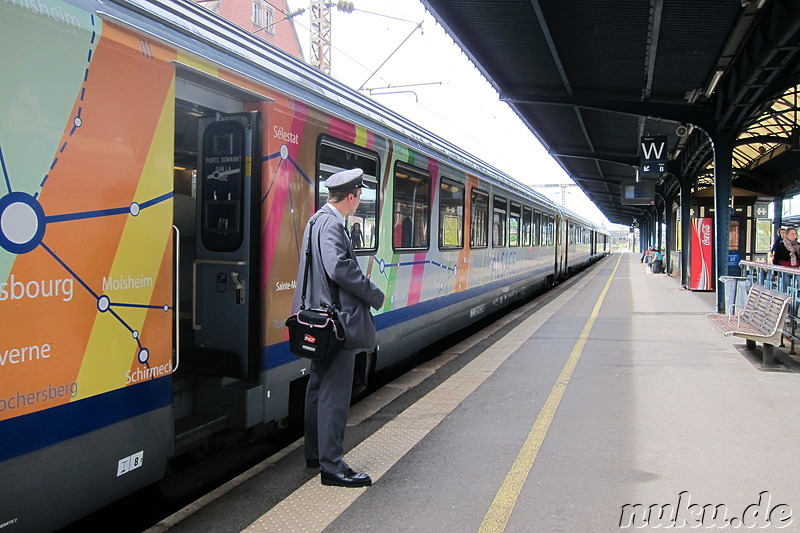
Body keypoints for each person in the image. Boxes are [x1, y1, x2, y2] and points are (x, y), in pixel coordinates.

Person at [292, 168, 385, 488]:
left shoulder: (316, 220)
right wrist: (373, 294)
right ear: (351, 197)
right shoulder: (333, 225)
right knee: (334, 394)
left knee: (317, 387)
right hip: (337, 322)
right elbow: (338, 268)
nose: (359, 203)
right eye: (359, 197)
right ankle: (332, 467)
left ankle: (315, 454)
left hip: (318, 318)